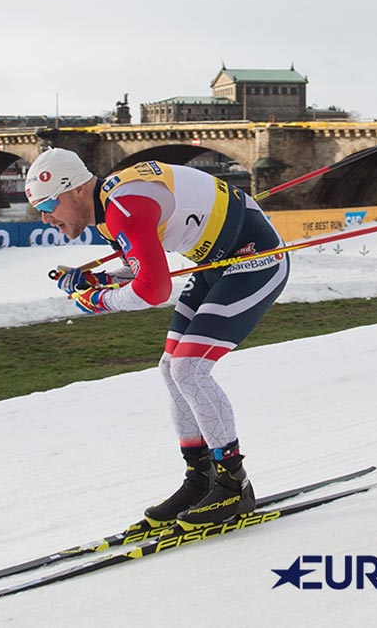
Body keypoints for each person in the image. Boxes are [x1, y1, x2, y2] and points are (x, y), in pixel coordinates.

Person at [25, 147, 290, 529]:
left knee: (189, 369)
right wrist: (96, 280)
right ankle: (200, 480)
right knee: (171, 369)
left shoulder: (122, 208)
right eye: (39, 210)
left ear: (78, 190)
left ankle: (234, 484)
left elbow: (153, 290)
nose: (47, 217)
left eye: (50, 204)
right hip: (217, 264)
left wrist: (97, 301)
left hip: (256, 262)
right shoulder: (108, 208)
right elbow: (140, 268)